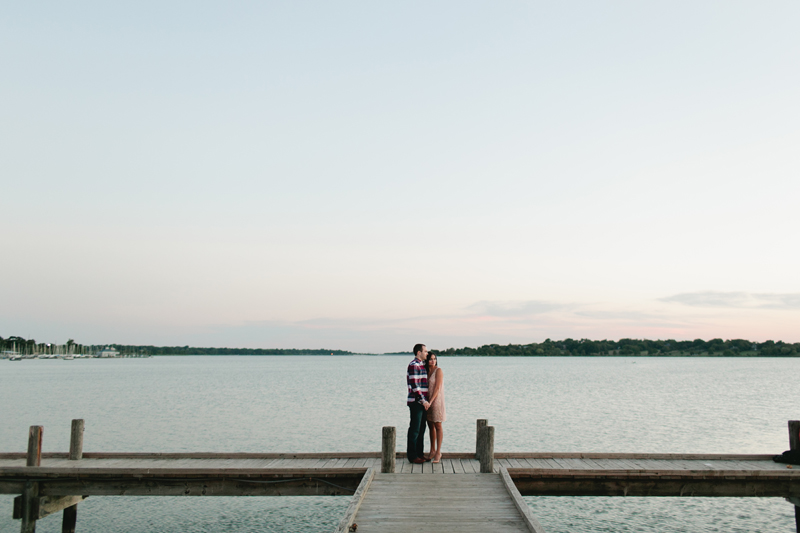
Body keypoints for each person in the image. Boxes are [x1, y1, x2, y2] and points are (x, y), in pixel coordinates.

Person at [407, 343, 430, 464]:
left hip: (423, 402)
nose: (427, 353)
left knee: (421, 429)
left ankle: (420, 454)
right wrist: (423, 401)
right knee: (415, 429)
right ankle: (412, 456)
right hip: (416, 402)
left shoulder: (422, 365)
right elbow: (415, 386)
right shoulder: (414, 365)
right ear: (419, 353)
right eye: (425, 351)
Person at [425, 352, 446, 463]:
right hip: (427, 401)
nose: (433, 361)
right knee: (430, 425)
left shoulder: (438, 371)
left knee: (438, 425)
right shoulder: (425, 371)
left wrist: (431, 401)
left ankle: (438, 452)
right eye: (430, 359)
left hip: (436, 400)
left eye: (434, 359)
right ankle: (432, 450)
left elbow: (437, 388)